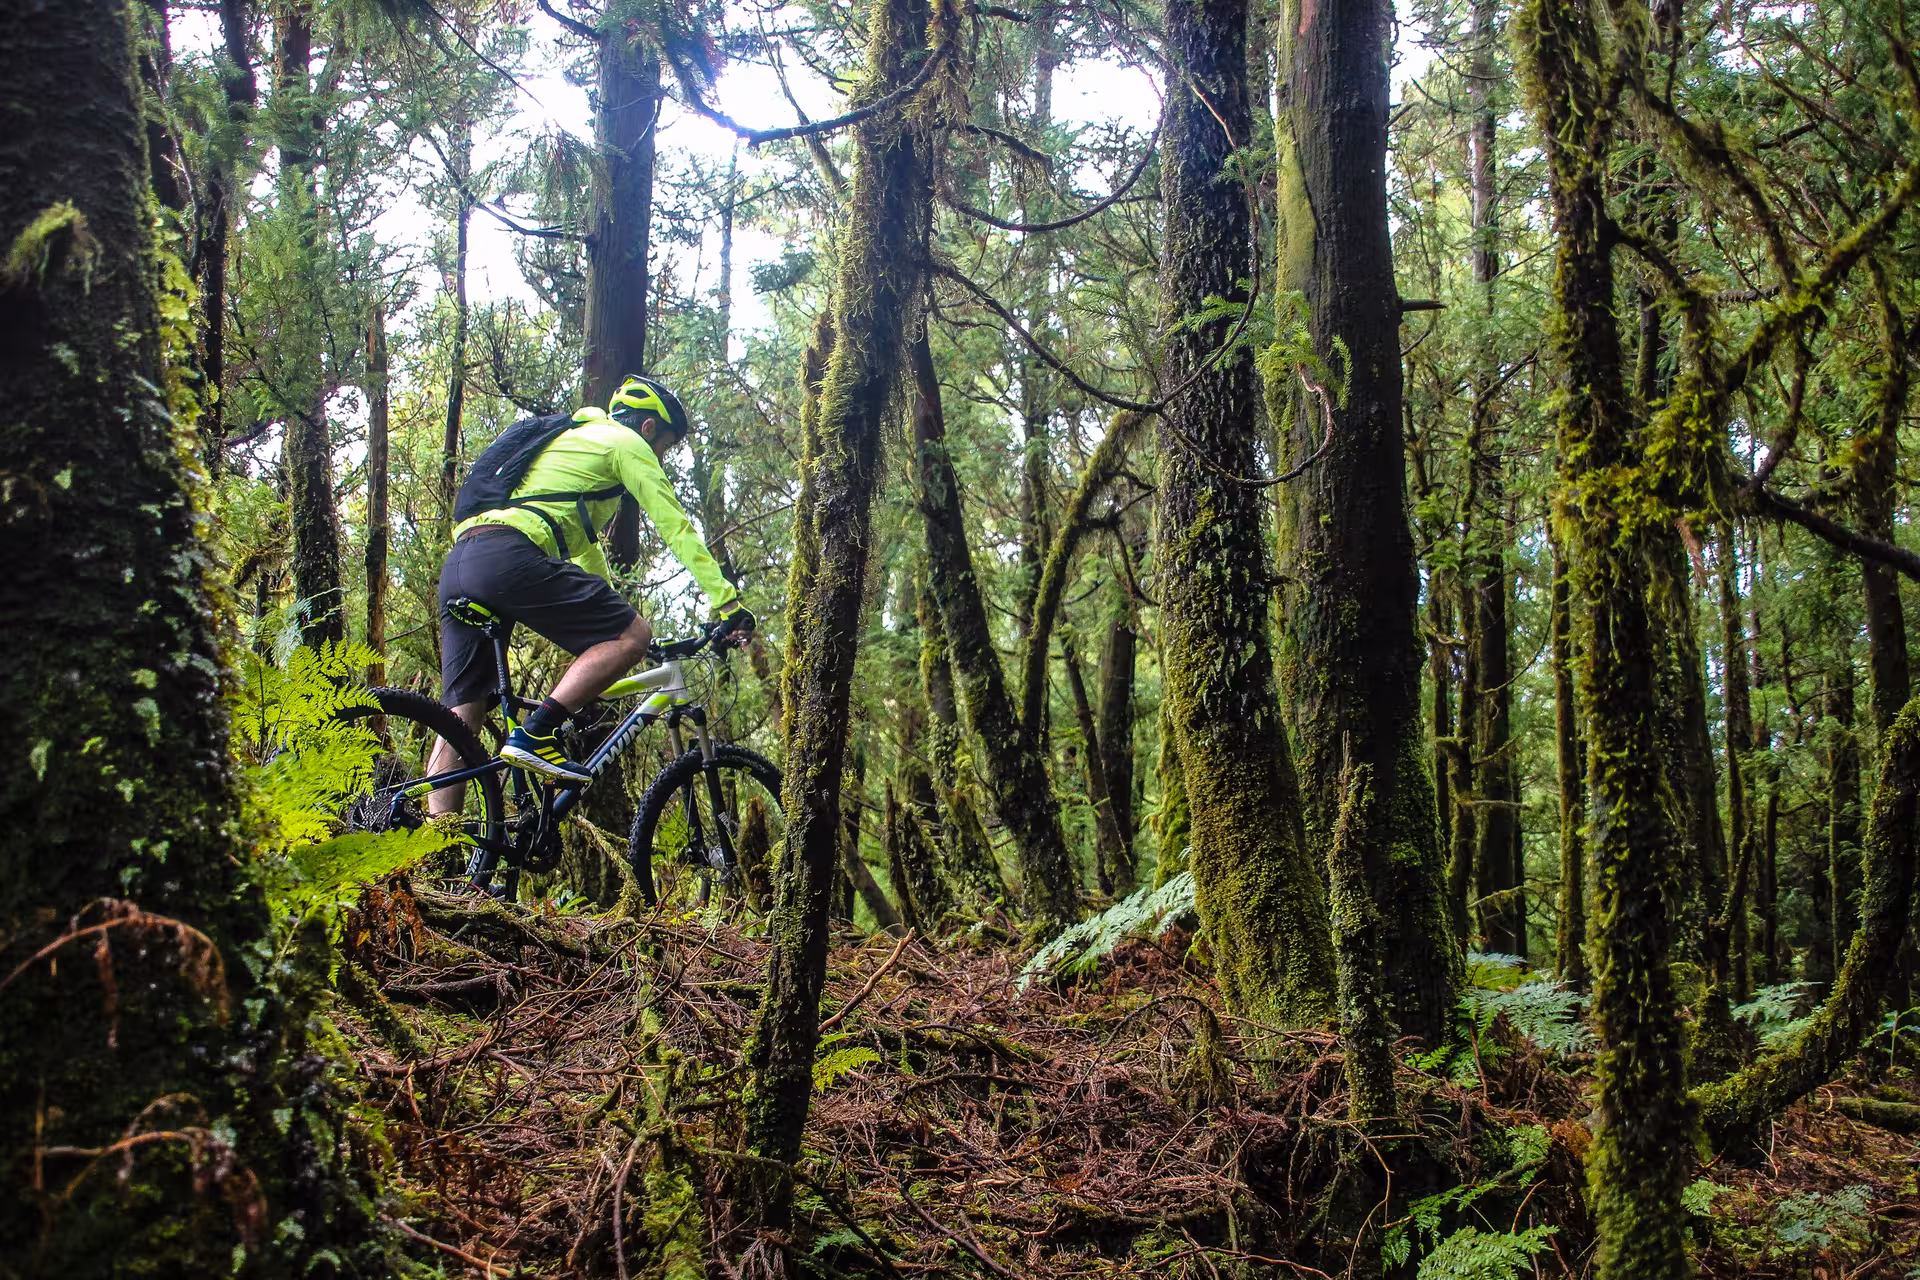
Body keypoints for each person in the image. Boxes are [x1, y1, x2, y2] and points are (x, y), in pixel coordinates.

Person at [429, 375, 751, 802]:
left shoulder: (575, 446)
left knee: (463, 714)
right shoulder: (625, 442)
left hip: (462, 563)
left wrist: (622, 632)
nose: (660, 457)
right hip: (507, 555)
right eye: (665, 447)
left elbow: (589, 563)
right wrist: (727, 603)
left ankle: (436, 855)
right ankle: (535, 735)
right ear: (649, 427)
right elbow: (676, 526)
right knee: (633, 635)